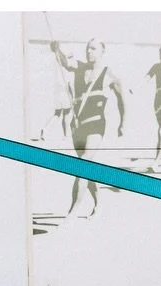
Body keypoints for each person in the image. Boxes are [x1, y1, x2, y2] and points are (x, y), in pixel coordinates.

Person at [52, 39, 126, 218]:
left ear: (102, 52)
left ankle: (72, 213)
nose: (89, 52)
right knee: (87, 168)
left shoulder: (109, 75)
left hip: (97, 124)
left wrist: (122, 123)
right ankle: (98, 203)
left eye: (93, 49)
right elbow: (64, 62)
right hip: (78, 125)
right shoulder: (79, 68)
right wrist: (57, 49)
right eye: (87, 48)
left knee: (82, 164)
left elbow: (122, 100)